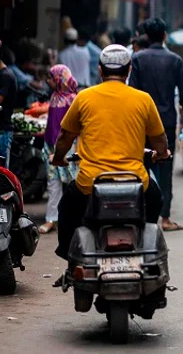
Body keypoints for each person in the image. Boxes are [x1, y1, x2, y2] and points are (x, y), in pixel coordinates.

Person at [50, 45, 169, 270]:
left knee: (66, 209)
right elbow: (159, 138)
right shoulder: (143, 99)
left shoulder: (84, 97)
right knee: (156, 199)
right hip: (134, 182)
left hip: (91, 183)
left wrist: (58, 158)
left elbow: (65, 135)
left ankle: (70, 259)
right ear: (128, 71)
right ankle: (144, 239)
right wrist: (161, 154)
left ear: (100, 71)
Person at [128, 18, 183, 232]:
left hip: (142, 124)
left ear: (146, 36)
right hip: (166, 123)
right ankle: (165, 218)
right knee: (165, 170)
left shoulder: (137, 59)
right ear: (164, 35)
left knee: (140, 168)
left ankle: (142, 217)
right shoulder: (175, 60)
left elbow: (132, 93)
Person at [38, 65, 80, 235]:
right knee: (53, 184)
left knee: (73, 184)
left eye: (50, 77)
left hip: (69, 147)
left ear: (59, 79)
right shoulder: (55, 97)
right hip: (51, 146)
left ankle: (76, 218)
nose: (48, 81)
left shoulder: (73, 99)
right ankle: (51, 219)